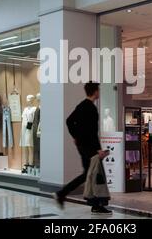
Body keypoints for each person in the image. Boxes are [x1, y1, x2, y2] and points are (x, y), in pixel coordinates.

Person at [53, 82, 111, 215]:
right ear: (95, 92)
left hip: (83, 146)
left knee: (88, 174)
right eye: (98, 90)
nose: (99, 93)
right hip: (90, 148)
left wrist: (76, 137)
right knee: (96, 175)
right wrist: (98, 149)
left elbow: (69, 121)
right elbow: (91, 132)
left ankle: (91, 204)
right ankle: (94, 204)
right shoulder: (91, 108)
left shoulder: (81, 105)